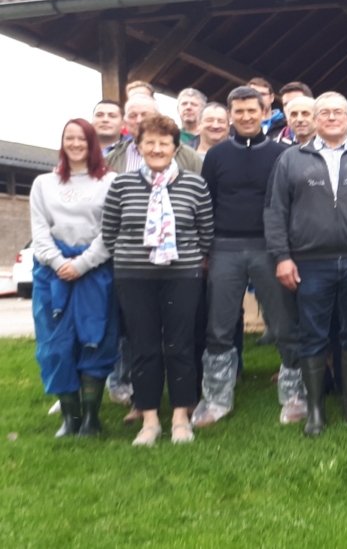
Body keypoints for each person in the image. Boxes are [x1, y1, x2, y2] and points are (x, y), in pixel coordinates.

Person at [265, 91, 347, 436]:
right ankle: (315, 409)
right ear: (314, 119)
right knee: (312, 335)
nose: (332, 117)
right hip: (310, 263)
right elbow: (275, 212)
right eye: (324, 112)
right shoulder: (292, 159)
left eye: (339, 112)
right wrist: (282, 257)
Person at [101, 114, 214, 446]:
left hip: (182, 275)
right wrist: (131, 257)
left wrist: (190, 259)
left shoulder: (195, 184)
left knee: (181, 346)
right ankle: (149, 419)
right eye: (149, 142)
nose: (156, 148)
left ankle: (181, 416)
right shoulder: (121, 184)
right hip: (134, 276)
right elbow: (109, 232)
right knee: (143, 346)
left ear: (175, 148)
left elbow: (206, 233)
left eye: (164, 142)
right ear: (138, 146)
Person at [193, 86, 300, 427]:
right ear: (230, 115)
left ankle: (295, 395)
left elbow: (288, 204)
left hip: (269, 248)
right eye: (238, 112)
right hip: (224, 247)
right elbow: (206, 204)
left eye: (252, 110)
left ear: (264, 110)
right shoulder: (217, 155)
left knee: (284, 323)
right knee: (219, 327)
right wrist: (206, 250)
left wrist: (285, 249)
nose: (246, 117)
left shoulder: (282, 153)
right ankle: (216, 399)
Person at [30, 119, 119, 438]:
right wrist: (57, 262)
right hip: (51, 275)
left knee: (95, 340)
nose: (76, 143)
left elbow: (111, 231)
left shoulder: (110, 181)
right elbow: (39, 231)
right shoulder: (44, 183)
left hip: (95, 271)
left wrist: (82, 264)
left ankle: (91, 419)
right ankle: (69, 417)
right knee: (55, 345)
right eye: (70, 138)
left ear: (92, 142)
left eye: (82, 138)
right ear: (62, 142)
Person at [106, 94, 203, 175]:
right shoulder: (112, 158)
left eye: (145, 115)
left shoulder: (188, 156)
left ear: (158, 117)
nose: (139, 120)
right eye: (132, 116)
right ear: (125, 122)